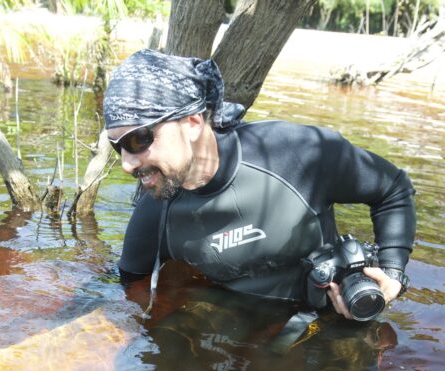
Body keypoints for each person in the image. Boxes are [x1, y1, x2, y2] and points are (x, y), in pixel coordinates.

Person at [103, 49, 416, 326]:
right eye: (119, 147)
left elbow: (394, 189)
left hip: (332, 318)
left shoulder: (297, 154)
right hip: (235, 329)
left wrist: (392, 273)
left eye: (138, 139)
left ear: (193, 123)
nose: (128, 164)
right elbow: (126, 289)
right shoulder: (154, 212)